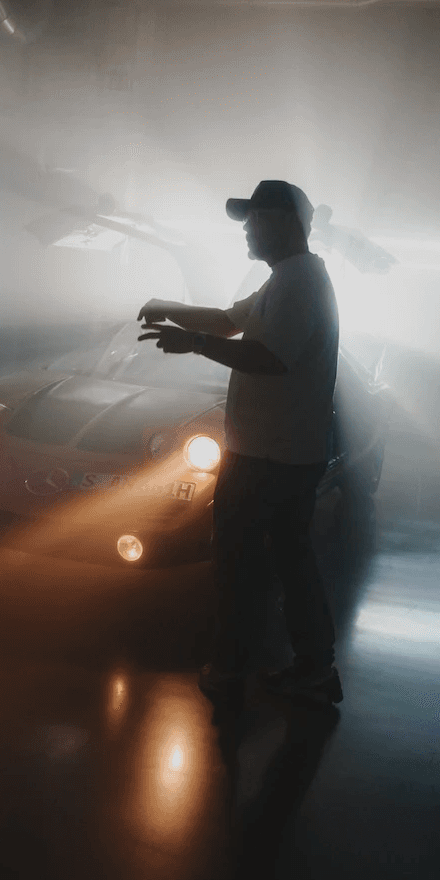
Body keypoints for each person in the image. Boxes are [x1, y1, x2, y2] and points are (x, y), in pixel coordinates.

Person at [137, 179, 342, 708]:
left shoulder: (296, 283)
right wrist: (173, 308)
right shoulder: (289, 278)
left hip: (269, 457)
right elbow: (232, 322)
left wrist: (196, 344)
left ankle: (230, 670)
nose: (247, 230)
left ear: (283, 222)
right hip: (284, 453)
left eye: (254, 219)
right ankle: (314, 668)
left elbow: (271, 359)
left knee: (238, 565)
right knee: (290, 563)